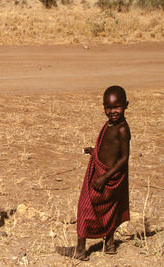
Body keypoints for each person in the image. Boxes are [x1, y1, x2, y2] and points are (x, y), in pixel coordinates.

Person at [57, 85, 131, 260]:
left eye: (117, 107)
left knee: (86, 207)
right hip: (104, 173)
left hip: (107, 176)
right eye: (108, 107)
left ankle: (80, 251)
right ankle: (110, 244)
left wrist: (104, 177)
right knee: (110, 208)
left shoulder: (122, 128)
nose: (112, 111)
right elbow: (109, 149)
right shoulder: (110, 124)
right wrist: (94, 151)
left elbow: (123, 158)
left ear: (126, 105)